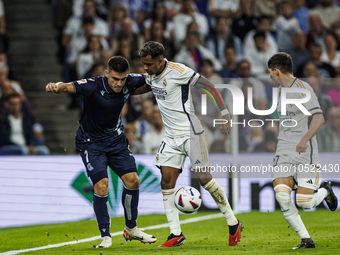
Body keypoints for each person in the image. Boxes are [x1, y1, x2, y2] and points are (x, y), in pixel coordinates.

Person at [137, 41, 242, 247]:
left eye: (148, 64)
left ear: (160, 61)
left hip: (191, 132)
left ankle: (233, 222)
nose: (145, 68)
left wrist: (224, 112)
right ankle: (175, 234)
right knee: (166, 183)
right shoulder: (151, 74)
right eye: (143, 64)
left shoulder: (179, 71)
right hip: (171, 137)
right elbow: (144, 87)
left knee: (205, 179)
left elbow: (208, 86)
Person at [45, 56, 156, 248]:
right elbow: (69, 86)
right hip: (91, 143)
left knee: (133, 181)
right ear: (106, 74)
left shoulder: (130, 81)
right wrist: (57, 86)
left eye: (122, 79)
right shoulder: (92, 85)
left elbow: (152, 80)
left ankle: (131, 229)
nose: (119, 83)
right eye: (114, 79)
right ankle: (105, 236)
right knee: (102, 185)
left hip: (115, 140)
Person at [267, 52, 338, 249]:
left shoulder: (302, 88)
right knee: (281, 196)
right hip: (283, 151)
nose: (270, 77)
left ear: (276, 71)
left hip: (304, 152)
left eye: (270, 73)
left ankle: (325, 190)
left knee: (305, 203)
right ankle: (306, 239)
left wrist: (305, 139)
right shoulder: (279, 91)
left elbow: (319, 118)